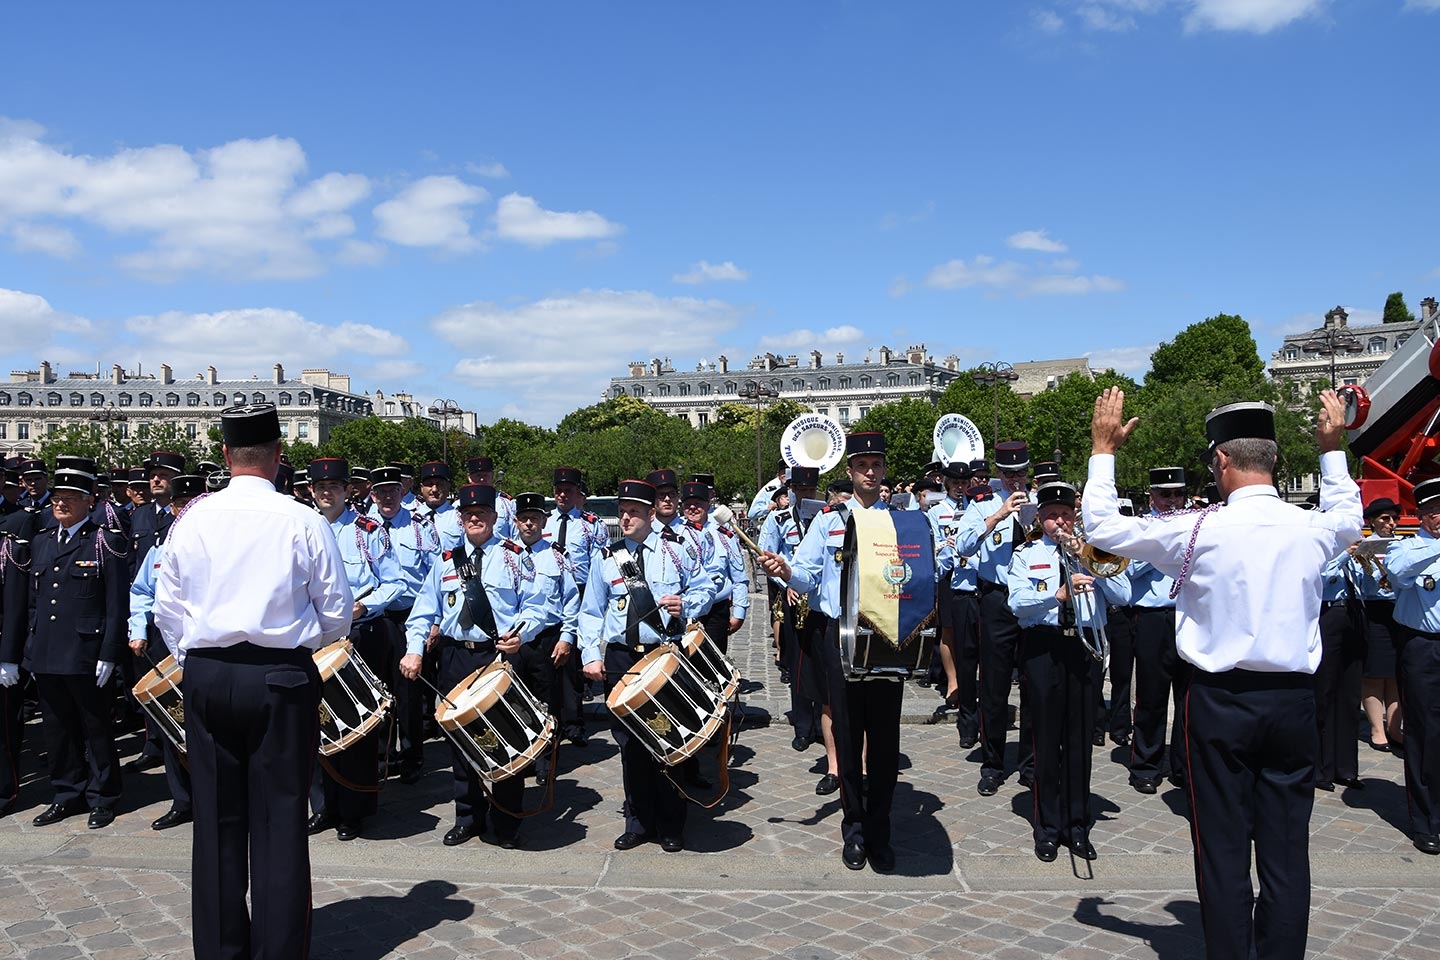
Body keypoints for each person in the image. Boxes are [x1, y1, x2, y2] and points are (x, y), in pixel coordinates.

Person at [1084, 388, 1360, 960]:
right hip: (1291, 702)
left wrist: (1102, 451)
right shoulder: (1311, 528)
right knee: (1286, 851)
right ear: (1275, 459)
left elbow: (1103, 529)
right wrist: (1333, 449)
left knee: (1223, 849)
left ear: (1222, 461)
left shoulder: (1197, 529)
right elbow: (1350, 519)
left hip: (1221, 702)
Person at [153, 404, 352, 960]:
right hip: (280, 677)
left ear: (224, 455)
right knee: (279, 821)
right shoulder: (303, 520)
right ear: (279, 458)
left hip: (209, 675)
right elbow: (336, 612)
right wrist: (297, 643)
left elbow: (168, 610)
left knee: (216, 822)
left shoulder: (191, 519)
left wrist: (197, 656)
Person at [759, 432, 905, 873]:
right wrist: (786, 571)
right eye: (863, 464)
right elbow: (805, 574)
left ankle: (880, 831)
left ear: (883, 470)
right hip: (837, 635)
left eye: (877, 464)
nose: (870, 471)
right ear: (850, 471)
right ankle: (855, 829)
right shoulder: (827, 521)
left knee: (884, 739)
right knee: (846, 731)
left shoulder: (902, 520)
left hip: (884, 635)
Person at [400, 484, 541, 848]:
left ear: (495, 517)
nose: (474, 518)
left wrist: (522, 635)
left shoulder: (516, 556)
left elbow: (536, 607)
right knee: (459, 739)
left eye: (481, 513)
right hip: (454, 656)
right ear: (460, 518)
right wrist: (414, 650)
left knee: (506, 737)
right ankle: (468, 815)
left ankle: (507, 818)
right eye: (467, 514)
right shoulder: (445, 561)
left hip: (497, 656)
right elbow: (423, 611)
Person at [578, 479, 714, 852]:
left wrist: (686, 604)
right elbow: (590, 612)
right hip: (622, 658)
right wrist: (590, 654)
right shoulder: (606, 557)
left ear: (652, 514)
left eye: (634, 512)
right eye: (622, 512)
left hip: (664, 657)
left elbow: (707, 588)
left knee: (669, 740)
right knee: (631, 746)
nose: (625, 518)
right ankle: (637, 822)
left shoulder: (676, 550)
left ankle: (671, 823)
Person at [6, 458, 129, 830]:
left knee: (96, 727)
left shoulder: (105, 541)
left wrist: (109, 652)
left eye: (70, 498)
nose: (60, 503)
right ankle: (66, 793)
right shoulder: (42, 542)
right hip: (46, 651)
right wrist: (26, 647)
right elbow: (31, 601)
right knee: (57, 730)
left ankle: (103, 796)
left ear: (89, 501)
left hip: (86, 653)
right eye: (57, 497)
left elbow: (115, 603)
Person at [1008, 481, 1127, 862]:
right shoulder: (1027, 554)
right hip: (1044, 647)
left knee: (1079, 741)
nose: (1059, 522)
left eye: (1065, 515)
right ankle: (1047, 827)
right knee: (1046, 739)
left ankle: (1077, 825)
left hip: (1084, 648)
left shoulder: (1090, 552)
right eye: (1051, 515)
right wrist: (1058, 593)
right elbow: (1017, 604)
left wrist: (1094, 564)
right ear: (1040, 518)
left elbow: (1124, 596)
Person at [307, 459, 402, 840]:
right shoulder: (301, 529)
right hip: (313, 639)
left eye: (334, 485)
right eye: (319, 486)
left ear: (349, 490)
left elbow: (391, 582)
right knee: (316, 724)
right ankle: (323, 805)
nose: (326, 492)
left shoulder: (367, 531)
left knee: (356, 725)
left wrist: (366, 605)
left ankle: (354, 808)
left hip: (357, 636)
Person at [126, 473, 207, 829]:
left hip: (206, 644)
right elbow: (142, 591)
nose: (183, 512)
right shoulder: (159, 547)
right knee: (172, 722)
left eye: (191, 505)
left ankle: (212, 796)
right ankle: (183, 799)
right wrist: (139, 629)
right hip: (165, 644)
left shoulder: (217, 545)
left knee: (208, 725)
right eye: (178, 505)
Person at [955, 441, 1036, 796]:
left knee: (1035, 683)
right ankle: (992, 762)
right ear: (999, 475)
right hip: (996, 598)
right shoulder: (983, 502)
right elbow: (964, 546)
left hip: (1035, 600)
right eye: (1009, 474)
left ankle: (1032, 761)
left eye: (1021, 473)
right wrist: (1000, 514)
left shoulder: (1041, 499)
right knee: (995, 685)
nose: (1016, 480)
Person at [1373, 478, 1440, 855]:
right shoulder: (1408, 547)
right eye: (1432, 511)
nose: (1438, 516)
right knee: (1426, 734)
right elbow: (1397, 572)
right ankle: (1426, 819)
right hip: (1424, 648)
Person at [1122, 467, 1191, 795]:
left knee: (1189, 695)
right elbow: (1128, 569)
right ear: (1152, 496)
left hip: (1188, 616)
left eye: (1178, 494)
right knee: (1151, 696)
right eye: (1166, 495)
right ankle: (1146, 765)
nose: (1172, 501)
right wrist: (1164, 545)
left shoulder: (1193, 525)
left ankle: (1184, 764)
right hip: (1152, 617)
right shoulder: (1141, 527)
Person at [1356, 499, 1402, 753]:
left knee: (1396, 675)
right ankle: (1377, 729)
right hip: (1374, 611)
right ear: (1372, 520)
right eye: (1385, 519)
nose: (1391, 524)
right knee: (1375, 674)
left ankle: (1395, 727)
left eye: (1393, 519)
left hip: (1398, 610)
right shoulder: (1365, 546)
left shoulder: (1401, 545)